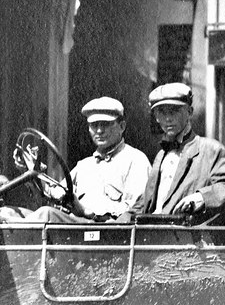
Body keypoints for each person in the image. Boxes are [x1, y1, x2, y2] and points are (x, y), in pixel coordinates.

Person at [17, 96, 150, 223]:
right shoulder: (85, 166)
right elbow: (55, 195)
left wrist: (87, 212)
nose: (99, 131)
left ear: (122, 126)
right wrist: (33, 172)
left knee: (45, 214)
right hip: (77, 230)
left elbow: (133, 213)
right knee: (8, 213)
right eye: (94, 125)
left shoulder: (135, 161)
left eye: (105, 124)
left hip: (105, 234)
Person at [142, 82, 225, 221]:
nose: (167, 118)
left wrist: (203, 198)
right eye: (161, 112)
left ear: (189, 112)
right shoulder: (161, 155)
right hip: (152, 233)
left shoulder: (209, 150)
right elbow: (146, 205)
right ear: (156, 117)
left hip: (189, 237)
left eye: (174, 111)